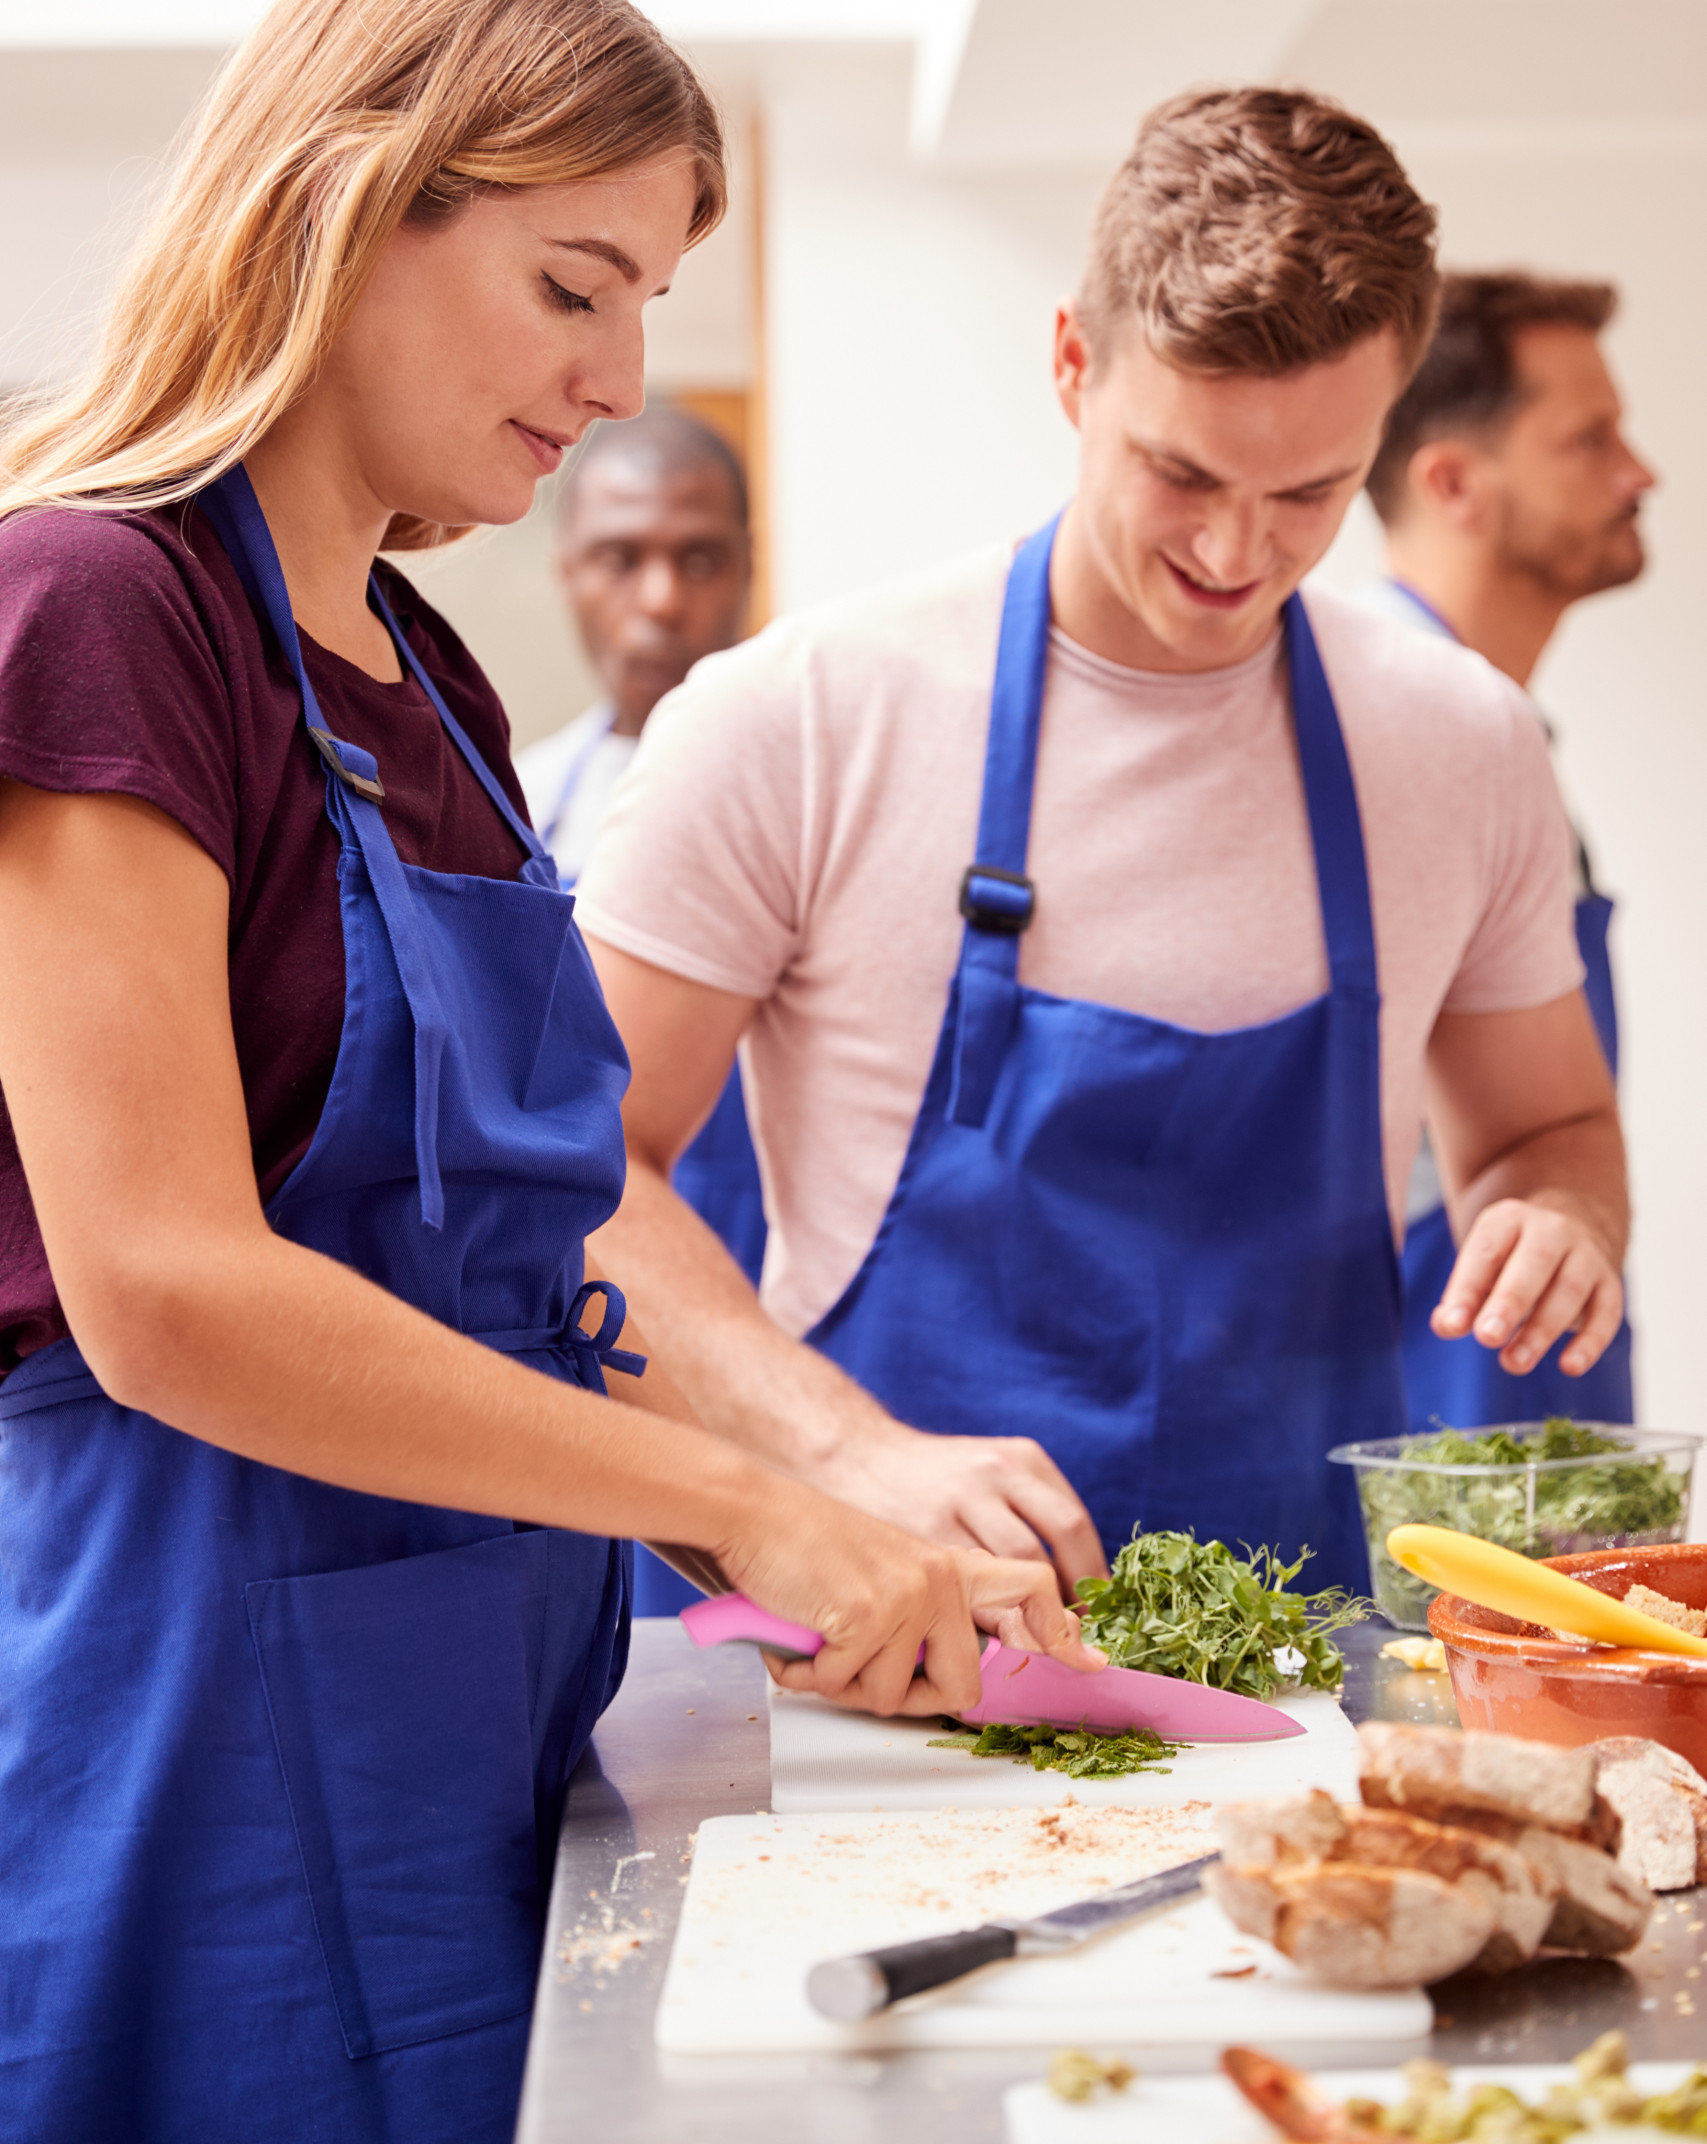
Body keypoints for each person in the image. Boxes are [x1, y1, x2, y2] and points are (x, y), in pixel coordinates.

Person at [0, 0, 1093, 2144]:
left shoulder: (440, 690)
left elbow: (519, 1251)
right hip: (186, 1703)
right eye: (570, 283)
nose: (612, 376)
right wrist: (750, 1501)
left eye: (646, 307)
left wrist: (807, 1507)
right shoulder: (92, 607)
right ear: (340, 205)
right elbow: (170, 1294)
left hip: (482, 1699)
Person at [573, 85, 1631, 1602]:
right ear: (1072, 362)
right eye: (1181, 474)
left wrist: (1558, 1218)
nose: (1230, 553)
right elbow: (580, 1176)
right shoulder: (799, 719)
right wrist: (844, 1451)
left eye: (1307, 494)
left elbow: (1546, 1134)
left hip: (1299, 1663)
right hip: (883, 1643)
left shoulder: (1457, 744)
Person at [1363, 271, 1657, 1430]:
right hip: (1438, 1400)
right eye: (1589, 440)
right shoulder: (1392, 738)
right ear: (1451, 481)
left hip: (1531, 1387)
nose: (1640, 473)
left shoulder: (1504, 739)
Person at [517, 407, 767, 1610]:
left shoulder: (794, 795)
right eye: (622, 557)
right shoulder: (510, 802)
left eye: (700, 555)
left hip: (746, 1309)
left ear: (748, 567)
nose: (662, 597)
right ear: (568, 568)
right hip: (563, 1326)